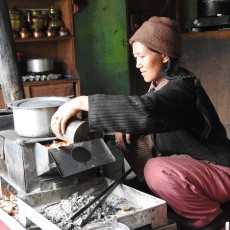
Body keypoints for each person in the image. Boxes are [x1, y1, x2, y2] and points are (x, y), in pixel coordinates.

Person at [51, 16, 230, 230]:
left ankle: (209, 220)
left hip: (221, 170)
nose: (138, 64)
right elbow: (146, 110)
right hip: (199, 169)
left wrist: (82, 101)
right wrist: (125, 125)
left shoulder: (181, 87)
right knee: (139, 168)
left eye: (142, 56)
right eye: (135, 57)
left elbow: (147, 111)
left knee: (156, 170)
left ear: (164, 55)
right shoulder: (159, 85)